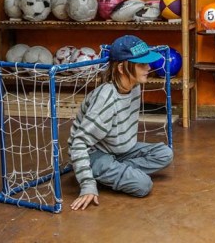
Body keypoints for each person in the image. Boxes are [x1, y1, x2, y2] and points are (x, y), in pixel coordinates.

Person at [69, 35, 174, 211]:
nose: (148, 68)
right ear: (122, 68)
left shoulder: (134, 86)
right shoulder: (106, 98)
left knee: (165, 154)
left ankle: (113, 171)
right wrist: (87, 185)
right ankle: (95, 173)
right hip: (95, 153)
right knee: (143, 185)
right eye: (142, 64)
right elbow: (78, 143)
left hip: (120, 151)